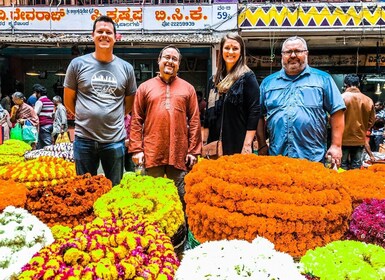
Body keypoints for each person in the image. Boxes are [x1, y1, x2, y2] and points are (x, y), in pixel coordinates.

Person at [64, 15, 137, 187]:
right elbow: (69, 100)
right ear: (93, 35)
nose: (104, 35)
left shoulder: (126, 68)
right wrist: (87, 116)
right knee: (84, 189)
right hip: (84, 139)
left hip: (114, 140)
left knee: (115, 189)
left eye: (108, 32)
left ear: (115, 37)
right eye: (100, 31)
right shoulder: (77, 64)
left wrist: (110, 118)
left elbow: (129, 103)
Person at [129, 45, 202, 211]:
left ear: (179, 64)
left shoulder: (188, 89)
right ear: (159, 61)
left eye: (174, 59)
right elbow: (136, 119)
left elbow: (195, 120)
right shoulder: (145, 87)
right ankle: (153, 234)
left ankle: (182, 235)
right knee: (151, 199)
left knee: (181, 198)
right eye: (167, 57)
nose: (170, 61)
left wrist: (193, 151)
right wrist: (136, 149)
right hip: (152, 151)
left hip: (179, 153)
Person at [257, 36, 346, 167]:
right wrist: (262, 144)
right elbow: (258, 115)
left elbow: (337, 111)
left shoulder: (323, 80)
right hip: (277, 157)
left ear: (306, 54)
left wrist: (336, 145)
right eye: (288, 52)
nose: (293, 55)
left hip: (312, 157)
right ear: (282, 55)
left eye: (298, 51)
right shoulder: (268, 83)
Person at [202, 32, 261, 156]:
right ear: (221, 50)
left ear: (241, 52)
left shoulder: (247, 77)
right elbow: (208, 114)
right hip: (214, 142)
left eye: (235, 48)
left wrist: (247, 144)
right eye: (227, 48)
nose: (231, 52)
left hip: (238, 141)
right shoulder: (213, 80)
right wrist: (204, 142)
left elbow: (254, 111)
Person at [340, 74, 375, 169]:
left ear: (345, 84)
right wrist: (362, 129)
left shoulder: (340, 98)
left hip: (342, 139)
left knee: (341, 166)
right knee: (356, 166)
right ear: (359, 84)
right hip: (359, 139)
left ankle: (342, 183)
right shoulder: (368, 100)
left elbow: (332, 119)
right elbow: (371, 121)